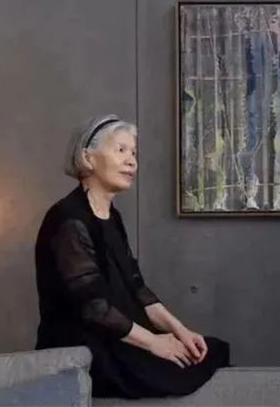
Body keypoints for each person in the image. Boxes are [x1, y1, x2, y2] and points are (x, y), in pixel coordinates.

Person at [35, 115, 229, 398]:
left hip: (118, 337)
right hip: (85, 349)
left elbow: (138, 289)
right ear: (88, 158)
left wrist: (180, 331)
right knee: (185, 368)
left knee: (208, 350)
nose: (132, 162)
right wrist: (154, 343)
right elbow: (94, 309)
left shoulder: (112, 217)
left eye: (134, 153)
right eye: (121, 150)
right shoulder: (68, 219)